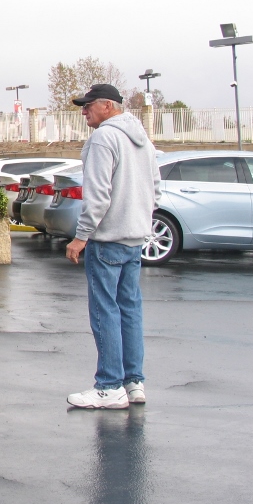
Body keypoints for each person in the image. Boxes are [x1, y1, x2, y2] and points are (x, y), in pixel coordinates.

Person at [65, 84, 160, 409]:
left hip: (107, 240)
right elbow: (156, 189)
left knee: (105, 311)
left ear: (107, 106)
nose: (84, 111)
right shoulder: (142, 139)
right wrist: (139, 218)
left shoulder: (104, 138)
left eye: (88, 105)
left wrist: (81, 237)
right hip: (134, 238)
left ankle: (108, 386)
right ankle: (134, 382)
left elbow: (98, 195)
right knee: (129, 309)